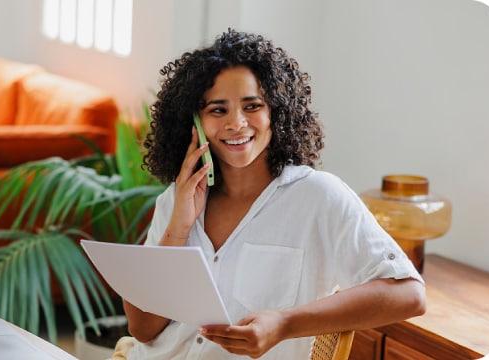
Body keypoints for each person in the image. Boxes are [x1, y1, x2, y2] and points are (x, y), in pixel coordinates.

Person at [122, 29, 426, 359]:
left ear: (277, 112)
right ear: (194, 121)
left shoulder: (317, 198)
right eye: (217, 110)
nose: (236, 123)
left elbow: (409, 295)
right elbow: (143, 329)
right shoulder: (179, 197)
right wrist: (179, 228)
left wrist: (284, 324)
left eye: (252, 106)